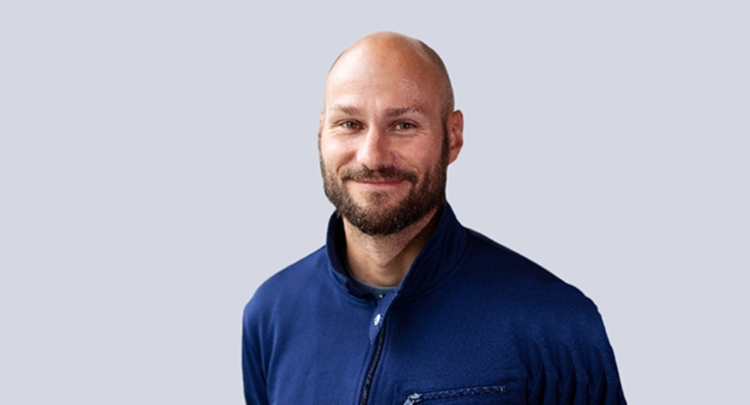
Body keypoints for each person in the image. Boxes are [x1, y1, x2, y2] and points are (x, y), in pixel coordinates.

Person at [242, 32, 626, 404]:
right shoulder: (271, 315)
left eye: (404, 125)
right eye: (350, 124)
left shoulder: (556, 324)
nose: (372, 156)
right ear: (321, 133)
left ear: (453, 136)